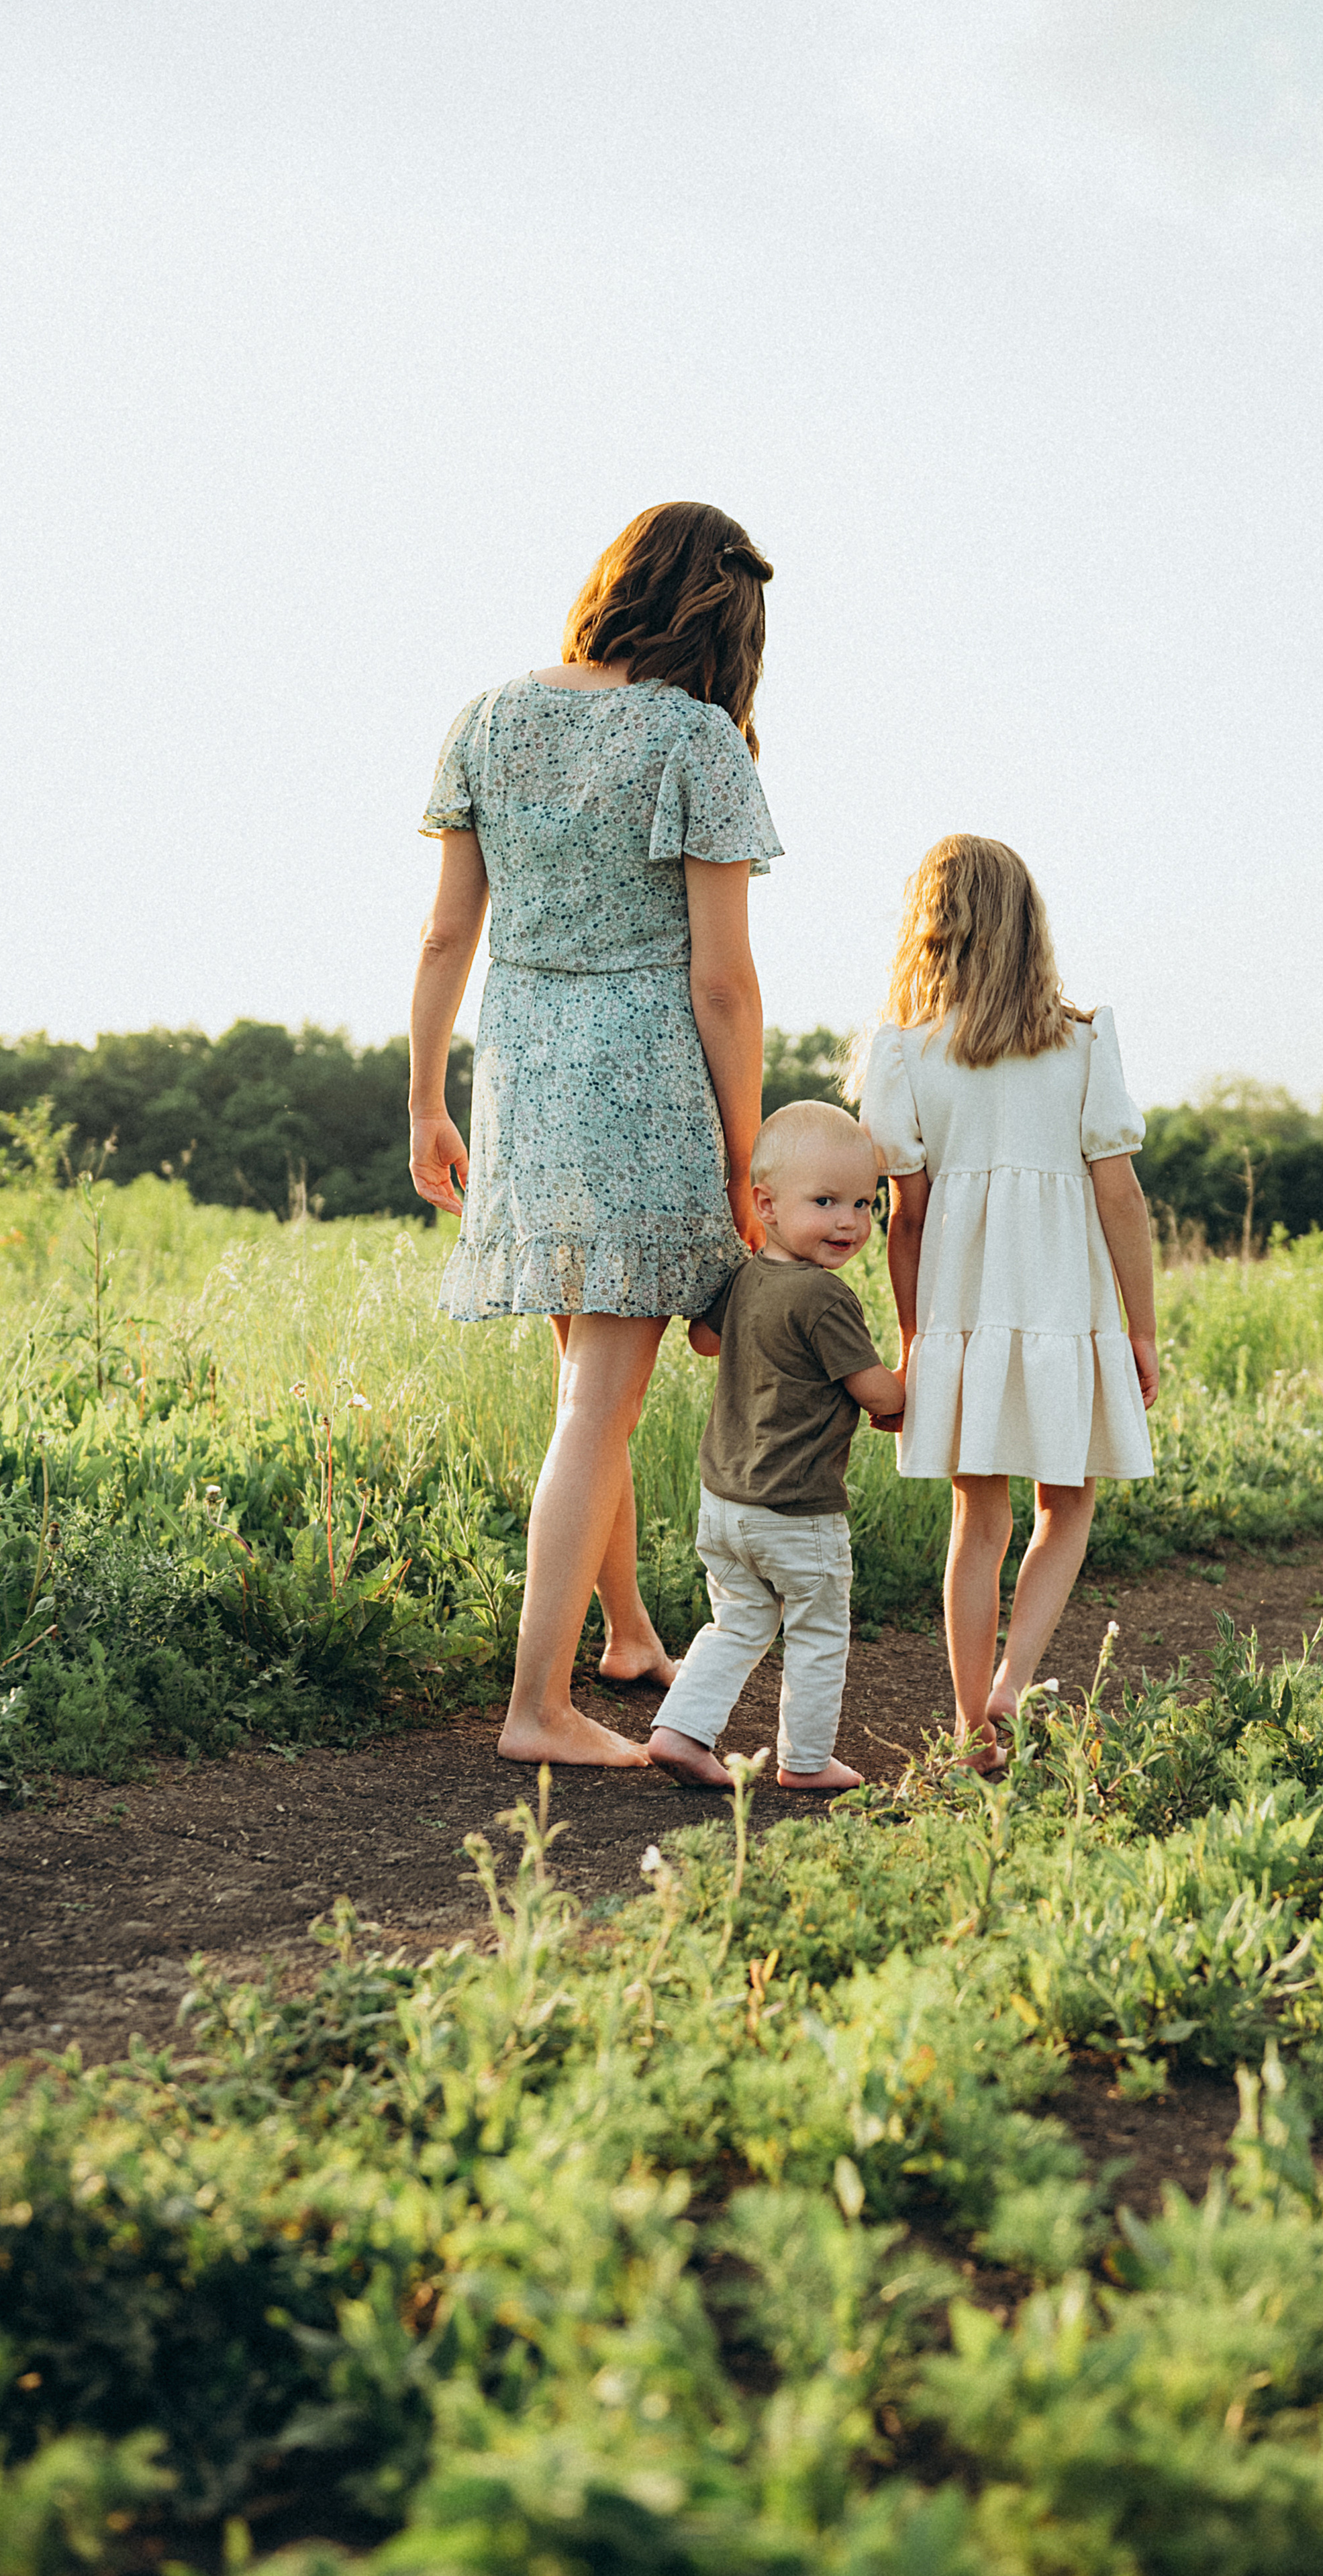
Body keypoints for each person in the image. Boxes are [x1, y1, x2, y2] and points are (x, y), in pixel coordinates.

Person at [408, 503, 781, 1767]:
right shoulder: (695, 740)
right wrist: (750, 1159)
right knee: (601, 1399)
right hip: (647, 1090)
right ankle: (537, 1708)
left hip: (523, 1081)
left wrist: (426, 1098)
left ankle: (625, 1634)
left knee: (591, 1389)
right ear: (719, 616)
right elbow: (724, 983)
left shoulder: (491, 716)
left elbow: (446, 935)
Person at [856, 835, 1158, 1771]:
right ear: (1031, 928)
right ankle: (1013, 1680)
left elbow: (904, 1219)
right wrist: (1141, 1331)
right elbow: (1120, 1196)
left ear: (931, 930)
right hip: (1069, 1311)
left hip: (963, 1317)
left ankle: (968, 1726)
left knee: (975, 1523)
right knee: (1067, 1507)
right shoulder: (1084, 1041)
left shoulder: (903, 1054)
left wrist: (917, 1341)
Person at [648, 1102, 903, 1791]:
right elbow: (880, 1396)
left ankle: (680, 1730)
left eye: (864, 1203)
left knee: (736, 1624)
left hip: (724, 1502)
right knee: (817, 1632)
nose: (849, 1222)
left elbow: (704, 1340)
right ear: (765, 1203)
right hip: (797, 1513)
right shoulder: (823, 1298)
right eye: (824, 1202)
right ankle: (807, 1760)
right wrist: (918, 1380)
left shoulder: (746, 1279)